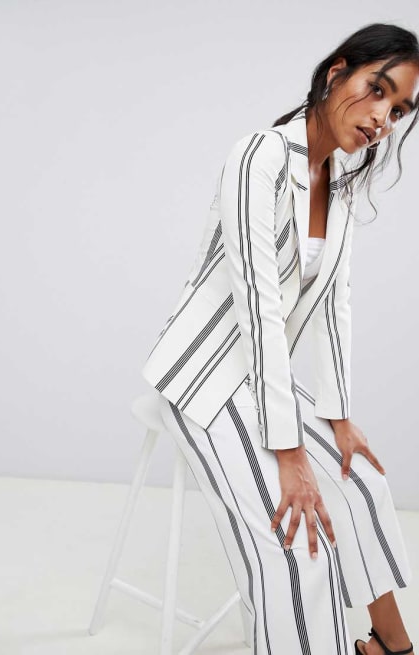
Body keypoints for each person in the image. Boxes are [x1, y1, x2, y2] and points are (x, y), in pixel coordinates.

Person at [141, 22, 419, 655]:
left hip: (260, 376)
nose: (384, 118)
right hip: (202, 374)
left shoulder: (341, 184)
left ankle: (390, 645)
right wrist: (289, 452)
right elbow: (259, 306)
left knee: (363, 483)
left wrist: (338, 417)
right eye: (378, 90)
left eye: (400, 109)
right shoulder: (259, 157)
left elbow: (335, 305)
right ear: (336, 73)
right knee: (299, 543)